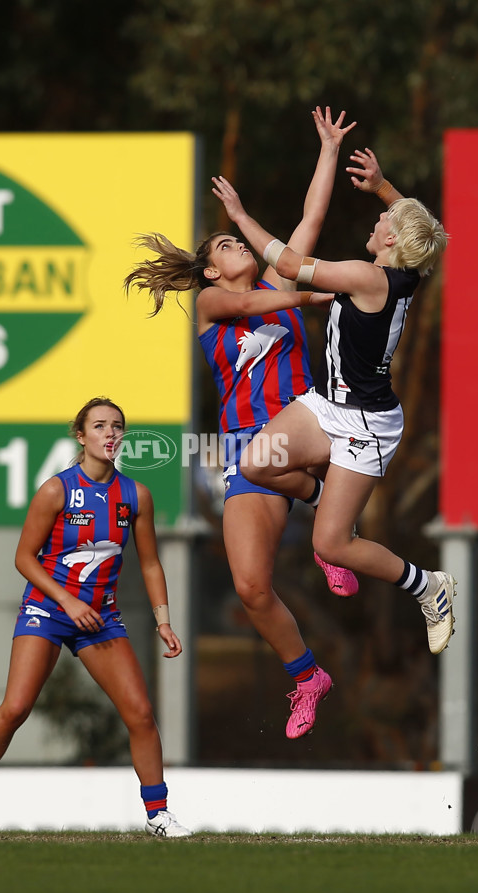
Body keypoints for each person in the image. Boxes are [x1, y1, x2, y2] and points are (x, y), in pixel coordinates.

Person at [125, 106, 359, 741]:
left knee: (316, 441)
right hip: (244, 449)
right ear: (209, 272)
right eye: (227, 246)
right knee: (251, 587)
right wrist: (311, 294)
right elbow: (256, 302)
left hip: (303, 430)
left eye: (236, 239)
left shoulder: (280, 276)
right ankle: (307, 675)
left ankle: (332, 534)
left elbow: (311, 217)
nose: (237, 246)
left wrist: (329, 150)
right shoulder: (212, 303)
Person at [211, 147, 455, 662]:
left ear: (391, 240)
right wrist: (384, 187)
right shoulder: (407, 269)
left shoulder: (368, 278)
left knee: (332, 546)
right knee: (255, 463)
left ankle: (427, 586)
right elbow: (420, 231)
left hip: (367, 425)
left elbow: (287, 262)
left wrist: (239, 218)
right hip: (328, 404)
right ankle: (323, 495)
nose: (378, 218)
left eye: (383, 218)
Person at [0, 397, 191, 838]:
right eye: (99, 426)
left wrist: (163, 621)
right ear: (81, 435)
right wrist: (69, 602)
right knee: (16, 707)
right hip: (47, 609)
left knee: (140, 713)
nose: (110, 433)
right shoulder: (56, 490)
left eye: (117, 426)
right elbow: (24, 557)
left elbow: (151, 564)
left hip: (102, 618)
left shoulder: (136, 495)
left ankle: (158, 815)